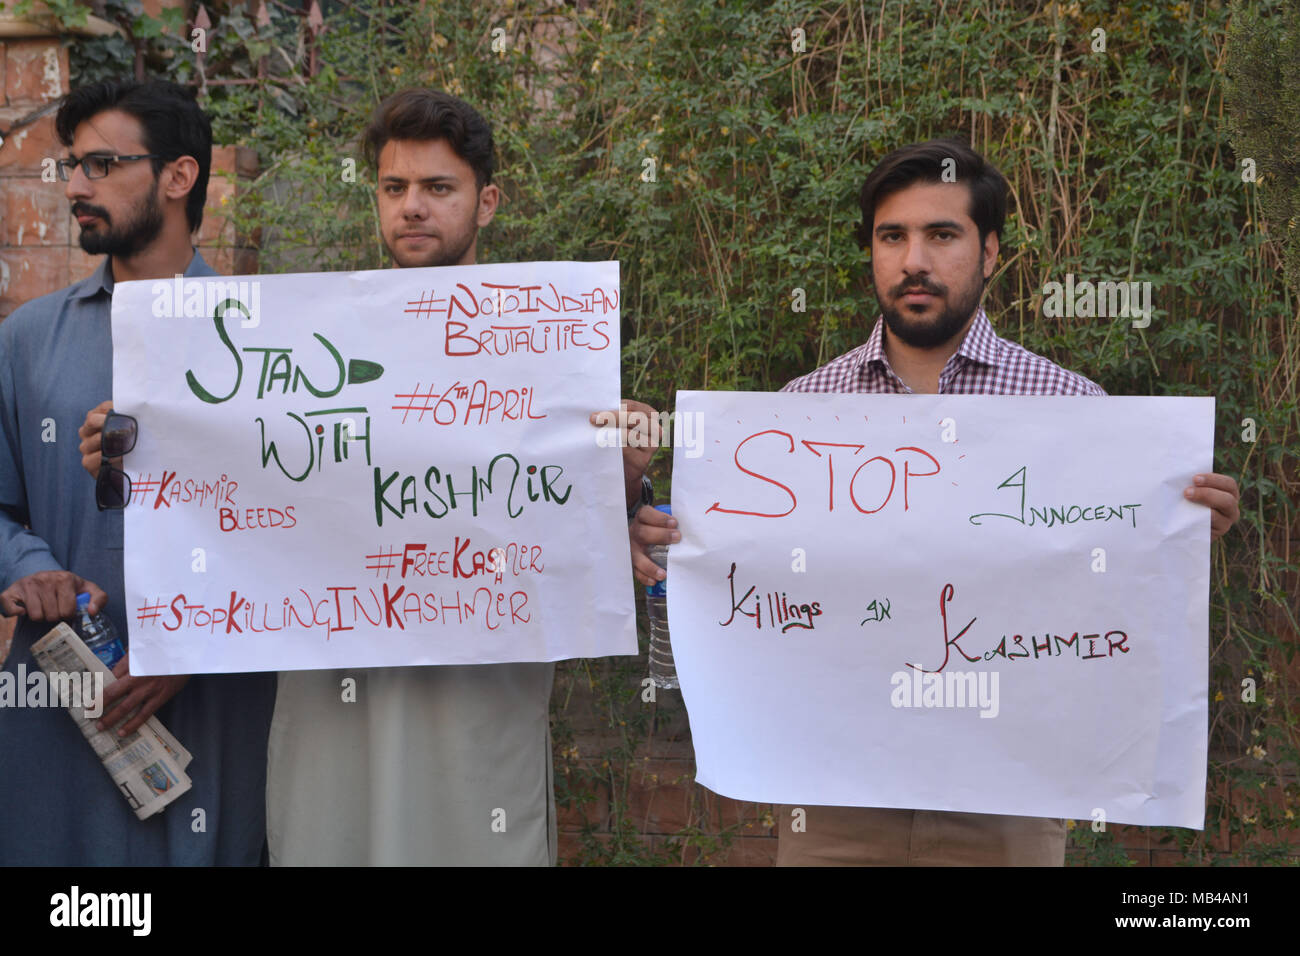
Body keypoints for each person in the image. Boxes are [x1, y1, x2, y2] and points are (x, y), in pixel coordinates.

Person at [629, 137, 1240, 866]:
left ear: (990, 252)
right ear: (872, 252)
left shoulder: (1076, 412)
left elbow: (1113, 598)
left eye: (942, 235)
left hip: (1009, 807)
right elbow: (747, 588)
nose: (913, 260)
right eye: (892, 236)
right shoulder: (798, 415)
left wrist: (1177, 532)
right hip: (834, 808)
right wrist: (670, 542)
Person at [81, 87, 650, 866]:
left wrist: (625, 479)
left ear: (487, 202)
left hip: (482, 700)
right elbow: (233, 479)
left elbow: (581, 520)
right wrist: (139, 459)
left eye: (438, 187)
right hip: (331, 703)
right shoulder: (305, 342)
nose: (412, 206)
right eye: (394, 186)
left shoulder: (544, 343)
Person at [0, 79, 276, 865]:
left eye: (102, 164)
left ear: (179, 176)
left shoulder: (266, 339)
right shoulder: (27, 340)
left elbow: (305, 527)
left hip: (218, 708)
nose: (75, 188)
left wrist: (195, 642)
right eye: (72, 167)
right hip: (63, 702)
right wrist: (31, 569)